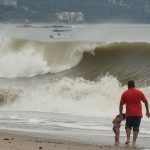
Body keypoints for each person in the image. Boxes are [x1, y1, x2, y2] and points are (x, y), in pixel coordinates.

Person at [119, 80, 150, 145]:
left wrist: (120, 113)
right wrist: (147, 111)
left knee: (128, 125)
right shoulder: (139, 92)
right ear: (134, 86)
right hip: (138, 113)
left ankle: (128, 139)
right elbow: (146, 102)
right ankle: (134, 142)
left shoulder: (125, 93)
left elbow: (121, 104)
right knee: (136, 127)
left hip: (129, 113)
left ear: (128, 86)